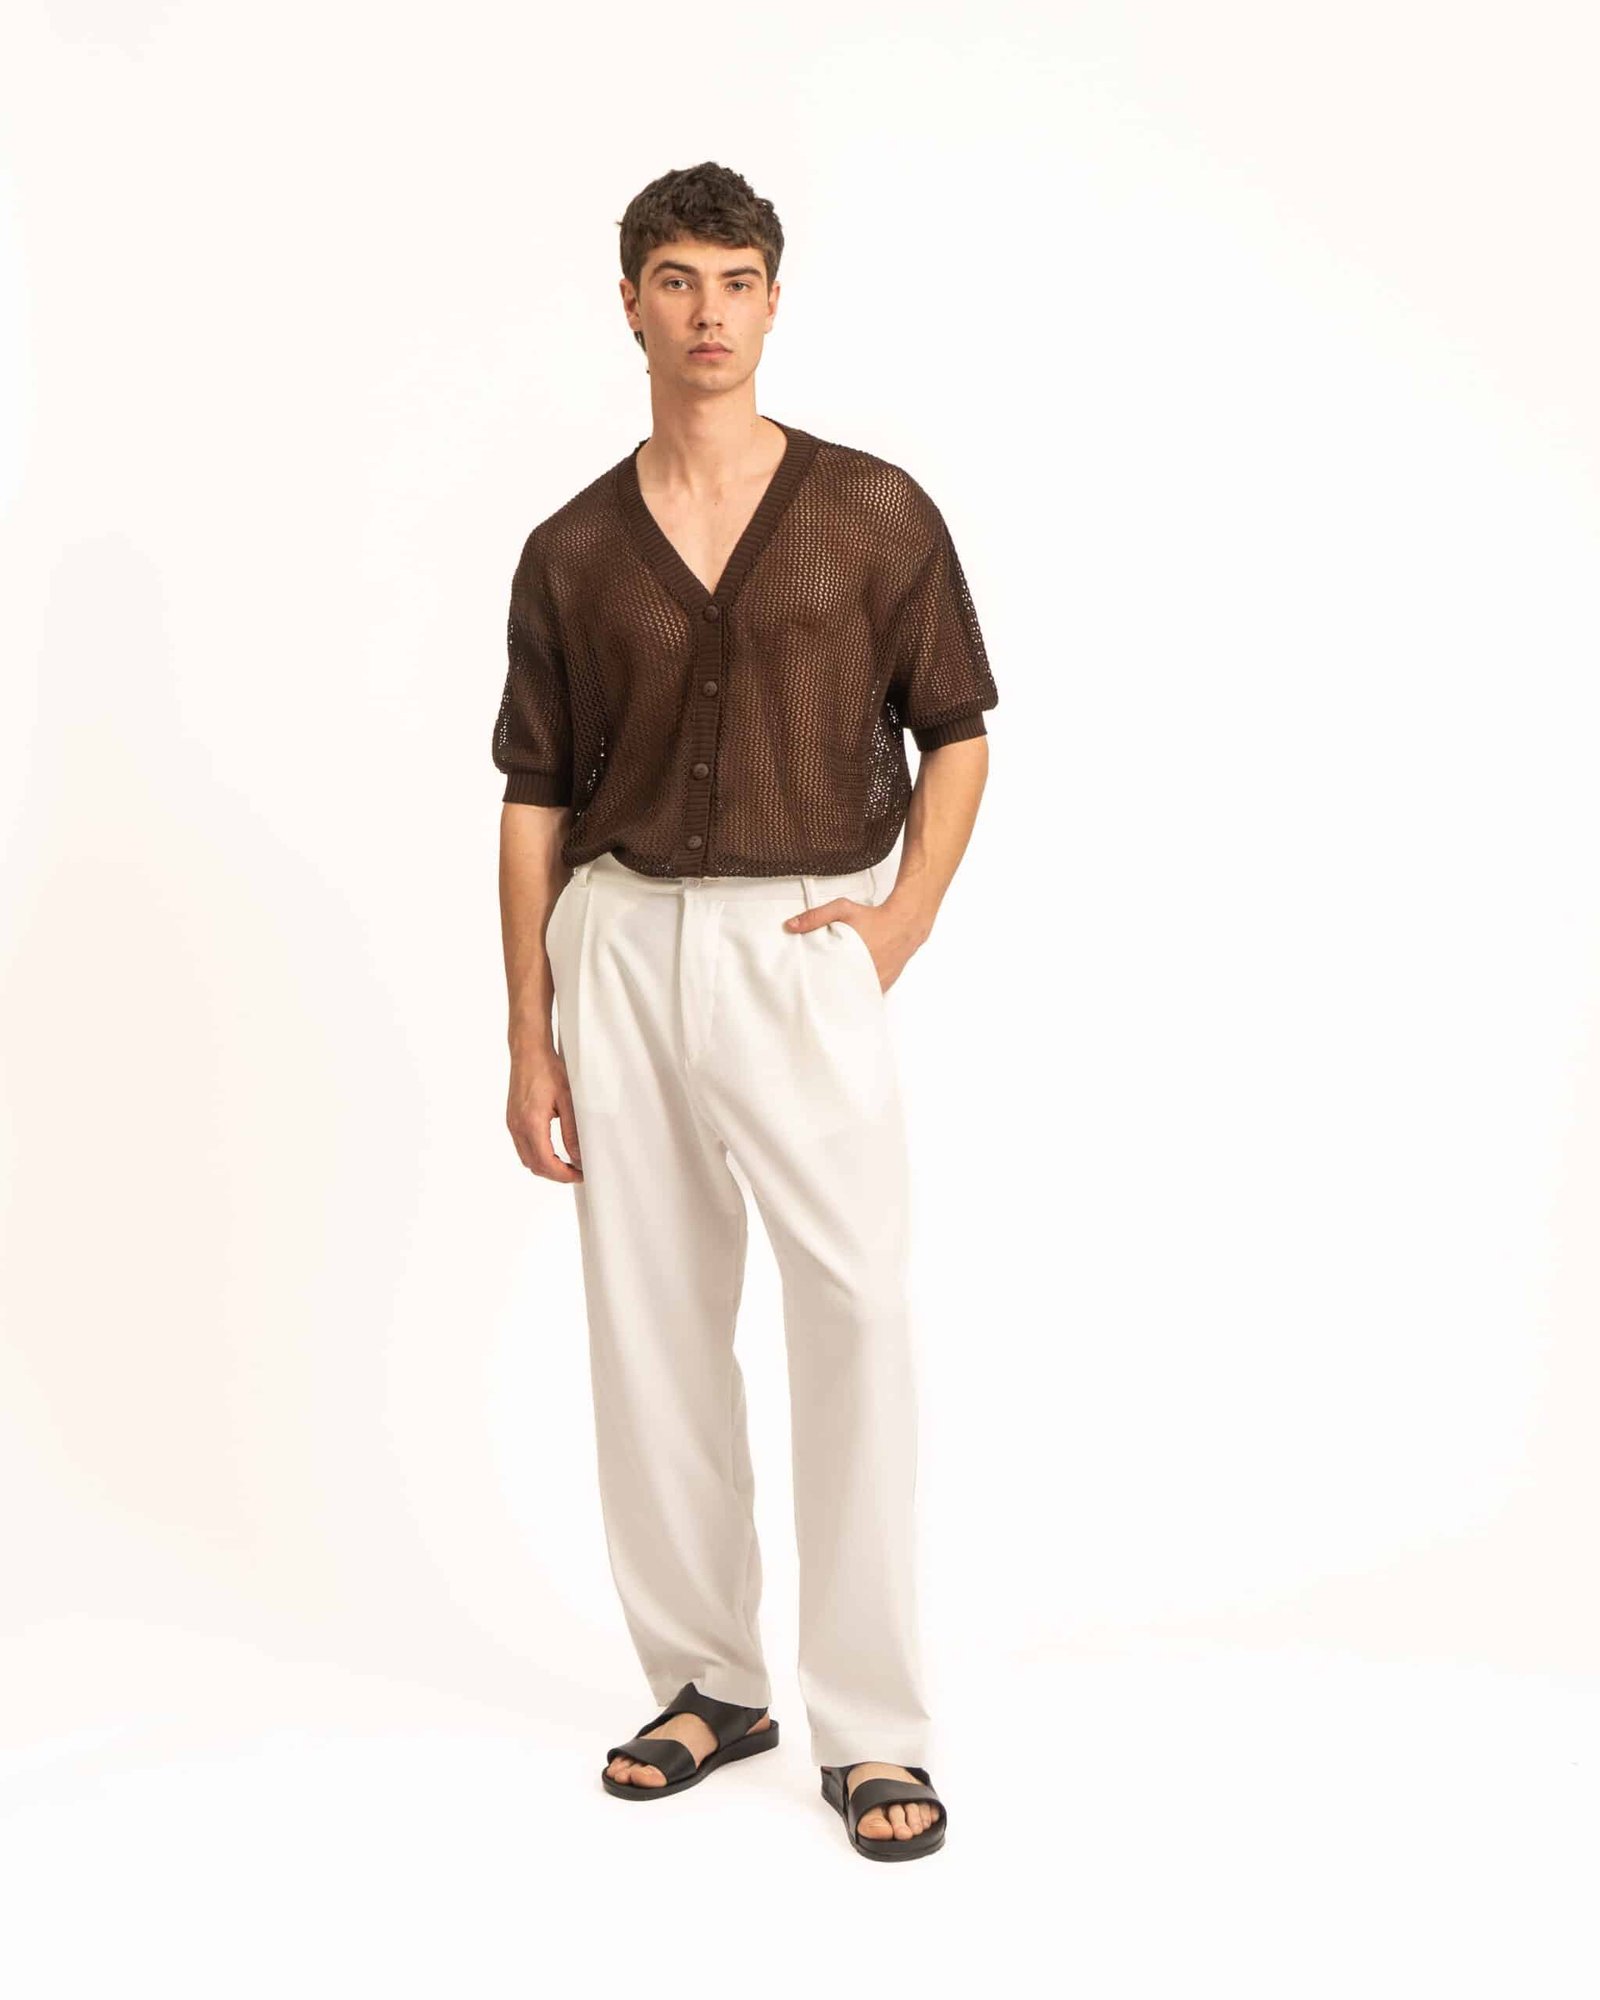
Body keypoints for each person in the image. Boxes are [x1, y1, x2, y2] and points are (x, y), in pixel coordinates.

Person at [492, 161, 996, 1861]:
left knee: (855, 1311)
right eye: (676, 281)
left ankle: (875, 1725)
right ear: (629, 305)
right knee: (651, 1326)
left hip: (801, 940)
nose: (707, 312)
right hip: (622, 945)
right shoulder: (572, 549)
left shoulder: (871, 511)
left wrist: (903, 919)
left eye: (736, 280)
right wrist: (529, 1031)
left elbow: (957, 729)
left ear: (775, 303)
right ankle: (709, 1683)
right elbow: (532, 799)